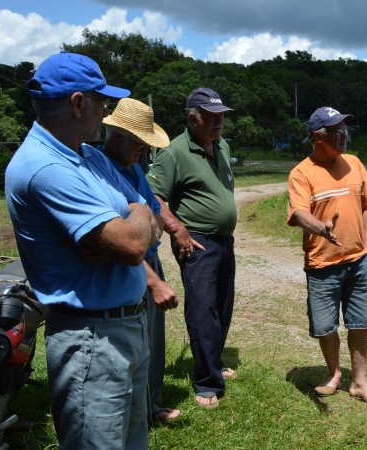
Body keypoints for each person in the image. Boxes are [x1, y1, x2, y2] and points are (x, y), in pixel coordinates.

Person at [5, 51, 157, 449]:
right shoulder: (44, 167)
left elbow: (146, 219)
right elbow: (133, 244)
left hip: (126, 325)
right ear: (77, 103)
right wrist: (131, 227)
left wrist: (134, 220)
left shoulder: (87, 156)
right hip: (92, 338)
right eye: (102, 99)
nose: (105, 111)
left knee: (132, 441)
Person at [287, 106, 367, 408]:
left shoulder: (355, 163)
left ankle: (359, 382)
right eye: (336, 131)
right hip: (322, 265)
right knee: (326, 326)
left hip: (358, 262)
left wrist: (366, 250)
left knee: (360, 322)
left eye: (345, 129)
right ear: (317, 136)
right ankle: (334, 374)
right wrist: (321, 228)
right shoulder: (301, 173)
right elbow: (299, 213)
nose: (343, 135)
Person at [147, 87, 237, 409]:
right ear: (193, 118)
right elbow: (154, 197)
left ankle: (214, 362)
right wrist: (178, 230)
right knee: (202, 309)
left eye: (222, 117)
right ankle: (207, 382)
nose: (220, 123)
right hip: (196, 241)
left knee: (223, 305)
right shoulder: (174, 152)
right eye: (213, 118)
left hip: (224, 240)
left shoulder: (221, 145)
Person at [101, 97, 182, 422]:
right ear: (118, 136)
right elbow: (126, 239)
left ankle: (149, 404)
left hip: (148, 258)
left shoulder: (134, 168)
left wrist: (152, 226)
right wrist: (154, 280)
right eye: (139, 144)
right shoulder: (103, 172)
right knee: (130, 341)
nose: (144, 152)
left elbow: (156, 216)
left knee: (153, 338)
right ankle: (132, 410)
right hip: (132, 266)